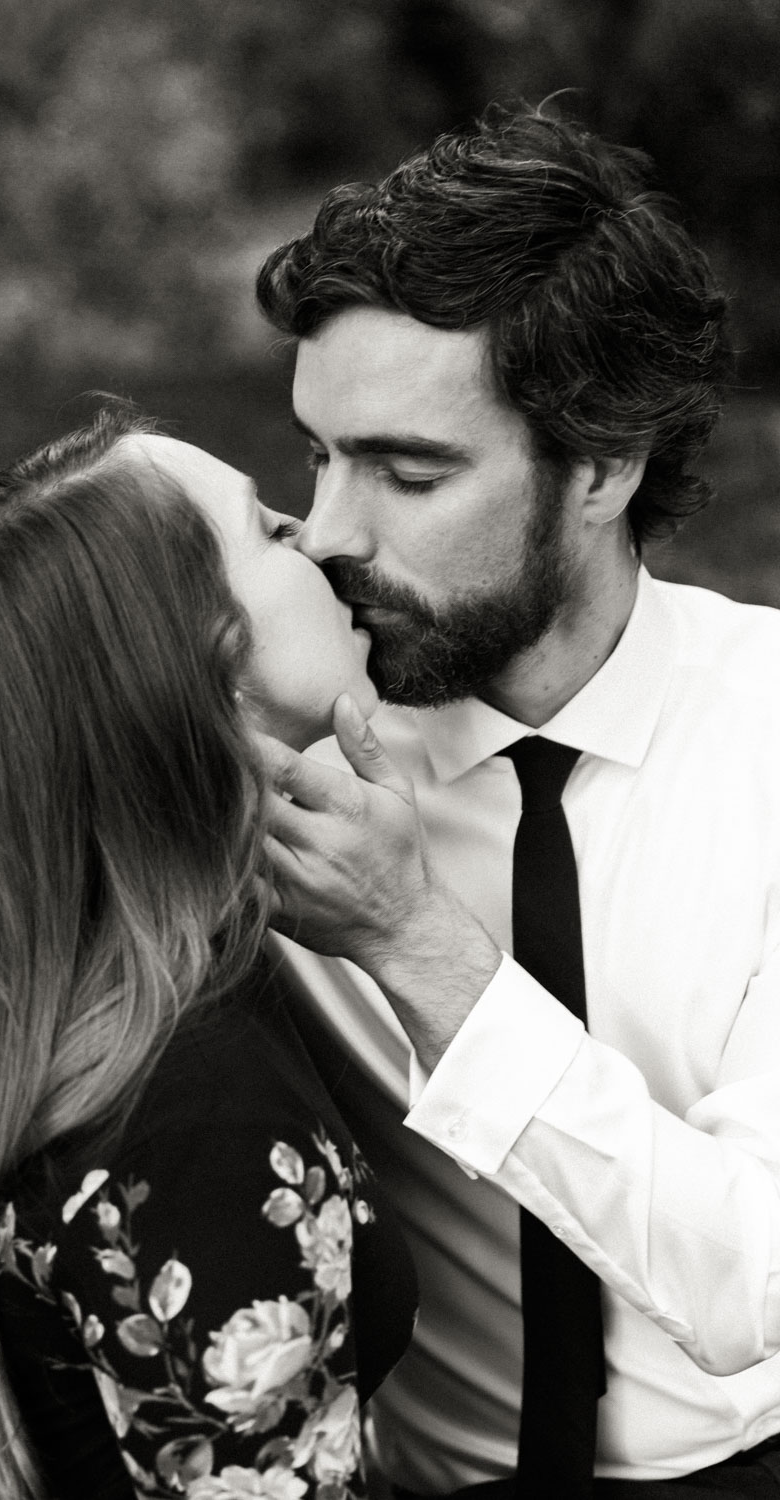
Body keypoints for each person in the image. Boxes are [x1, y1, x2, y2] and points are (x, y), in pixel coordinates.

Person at [253, 104, 780, 1496]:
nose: (333, 533)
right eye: (318, 455)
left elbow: (750, 1278)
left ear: (604, 466)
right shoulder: (288, 760)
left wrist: (414, 943)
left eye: (408, 472)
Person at [0, 403, 418, 1500]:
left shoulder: (17, 1002)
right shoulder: (198, 1112)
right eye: (269, 530)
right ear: (205, 661)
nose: (317, 541)